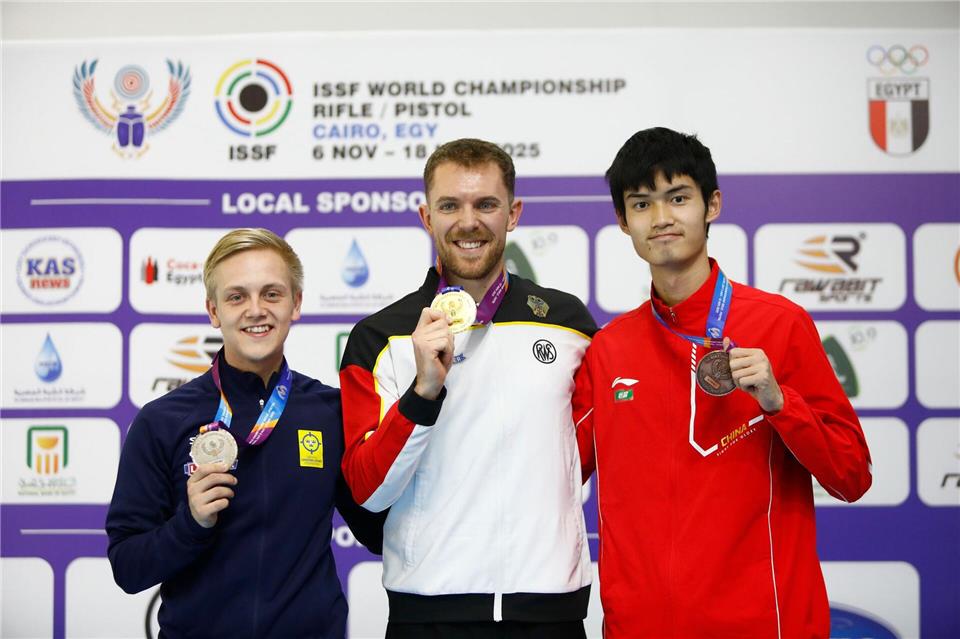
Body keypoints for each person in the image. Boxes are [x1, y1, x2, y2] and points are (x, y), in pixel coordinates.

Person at [573, 127, 873, 638]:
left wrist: (782, 404)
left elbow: (852, 475)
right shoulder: (609, 349)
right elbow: (551, 473)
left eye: (679, 198)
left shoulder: (781, 324)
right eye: (641, 204)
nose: (662, 218)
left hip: (764, 625)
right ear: (622, 222)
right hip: (638, 628)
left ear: (712, 204)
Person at [339, 139, 596, 638]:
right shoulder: (379, 337)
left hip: (550, 611)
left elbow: (578, 454)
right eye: (450, 205)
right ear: (425, 216)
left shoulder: (570, 326)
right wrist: (423, 393)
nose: (468, 221)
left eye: (486, 204)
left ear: (513, 213)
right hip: (430, 611)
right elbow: (367, 492)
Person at [106, 228, 383, 638]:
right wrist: (191, 522)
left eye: (272, 294)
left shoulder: (331, 411)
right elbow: (128, 568)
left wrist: (417, 411)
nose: (256, 310)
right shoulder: (161, 420)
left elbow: (377, 532)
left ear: (296, 304)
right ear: (214, 311)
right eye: (237, 296)